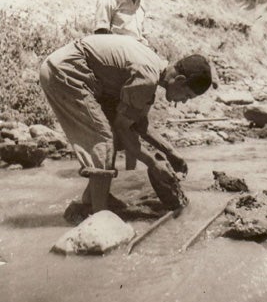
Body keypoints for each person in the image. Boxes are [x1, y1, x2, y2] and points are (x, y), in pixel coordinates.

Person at [40, 34, 212, 215]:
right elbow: (123, 129)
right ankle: (99, 217)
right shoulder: (147, 77)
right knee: (104, 138)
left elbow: (139, 123)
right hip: (63, 72)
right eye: (187, 96)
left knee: (111, 133)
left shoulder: (153, 70)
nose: (184, 102)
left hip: (75, 70)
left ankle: (94, 197)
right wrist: (153, 163)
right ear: (180, 80)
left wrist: (172, 152)